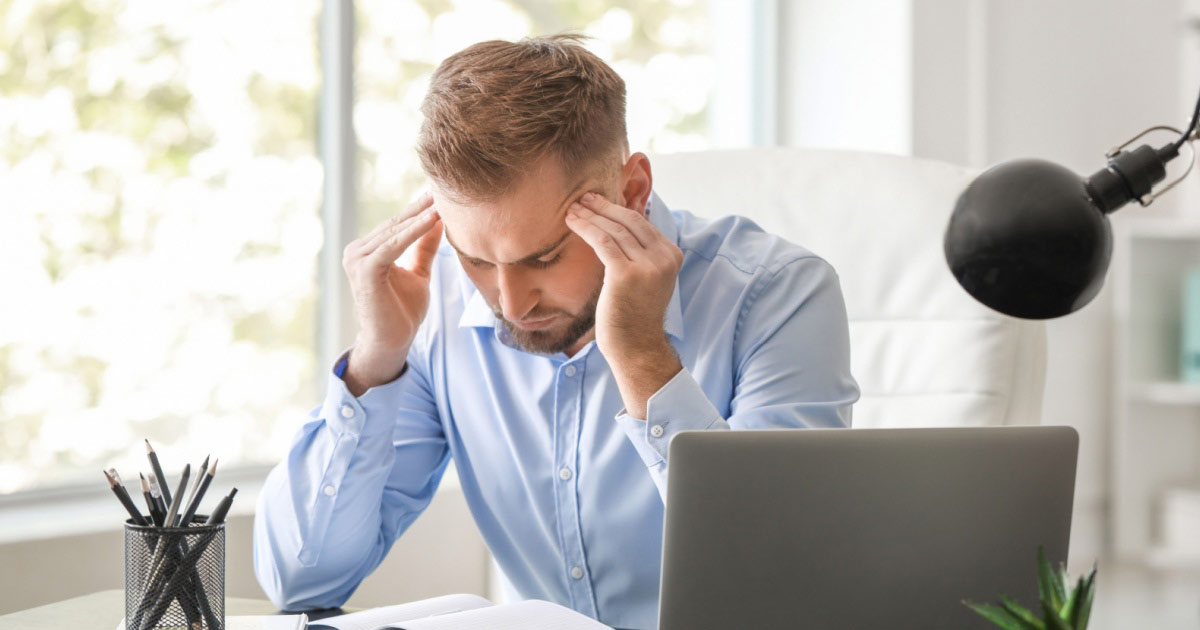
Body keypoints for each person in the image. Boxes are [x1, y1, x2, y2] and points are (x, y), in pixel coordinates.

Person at [253, 34, 859, 630]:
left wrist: (642, 356)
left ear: (633, 193)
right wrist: (376, 359)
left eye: (543, 258)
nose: (509, 302)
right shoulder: (431, 303)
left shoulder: (778, 295)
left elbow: (782, 582)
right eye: (477, 261)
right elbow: (302, 580)